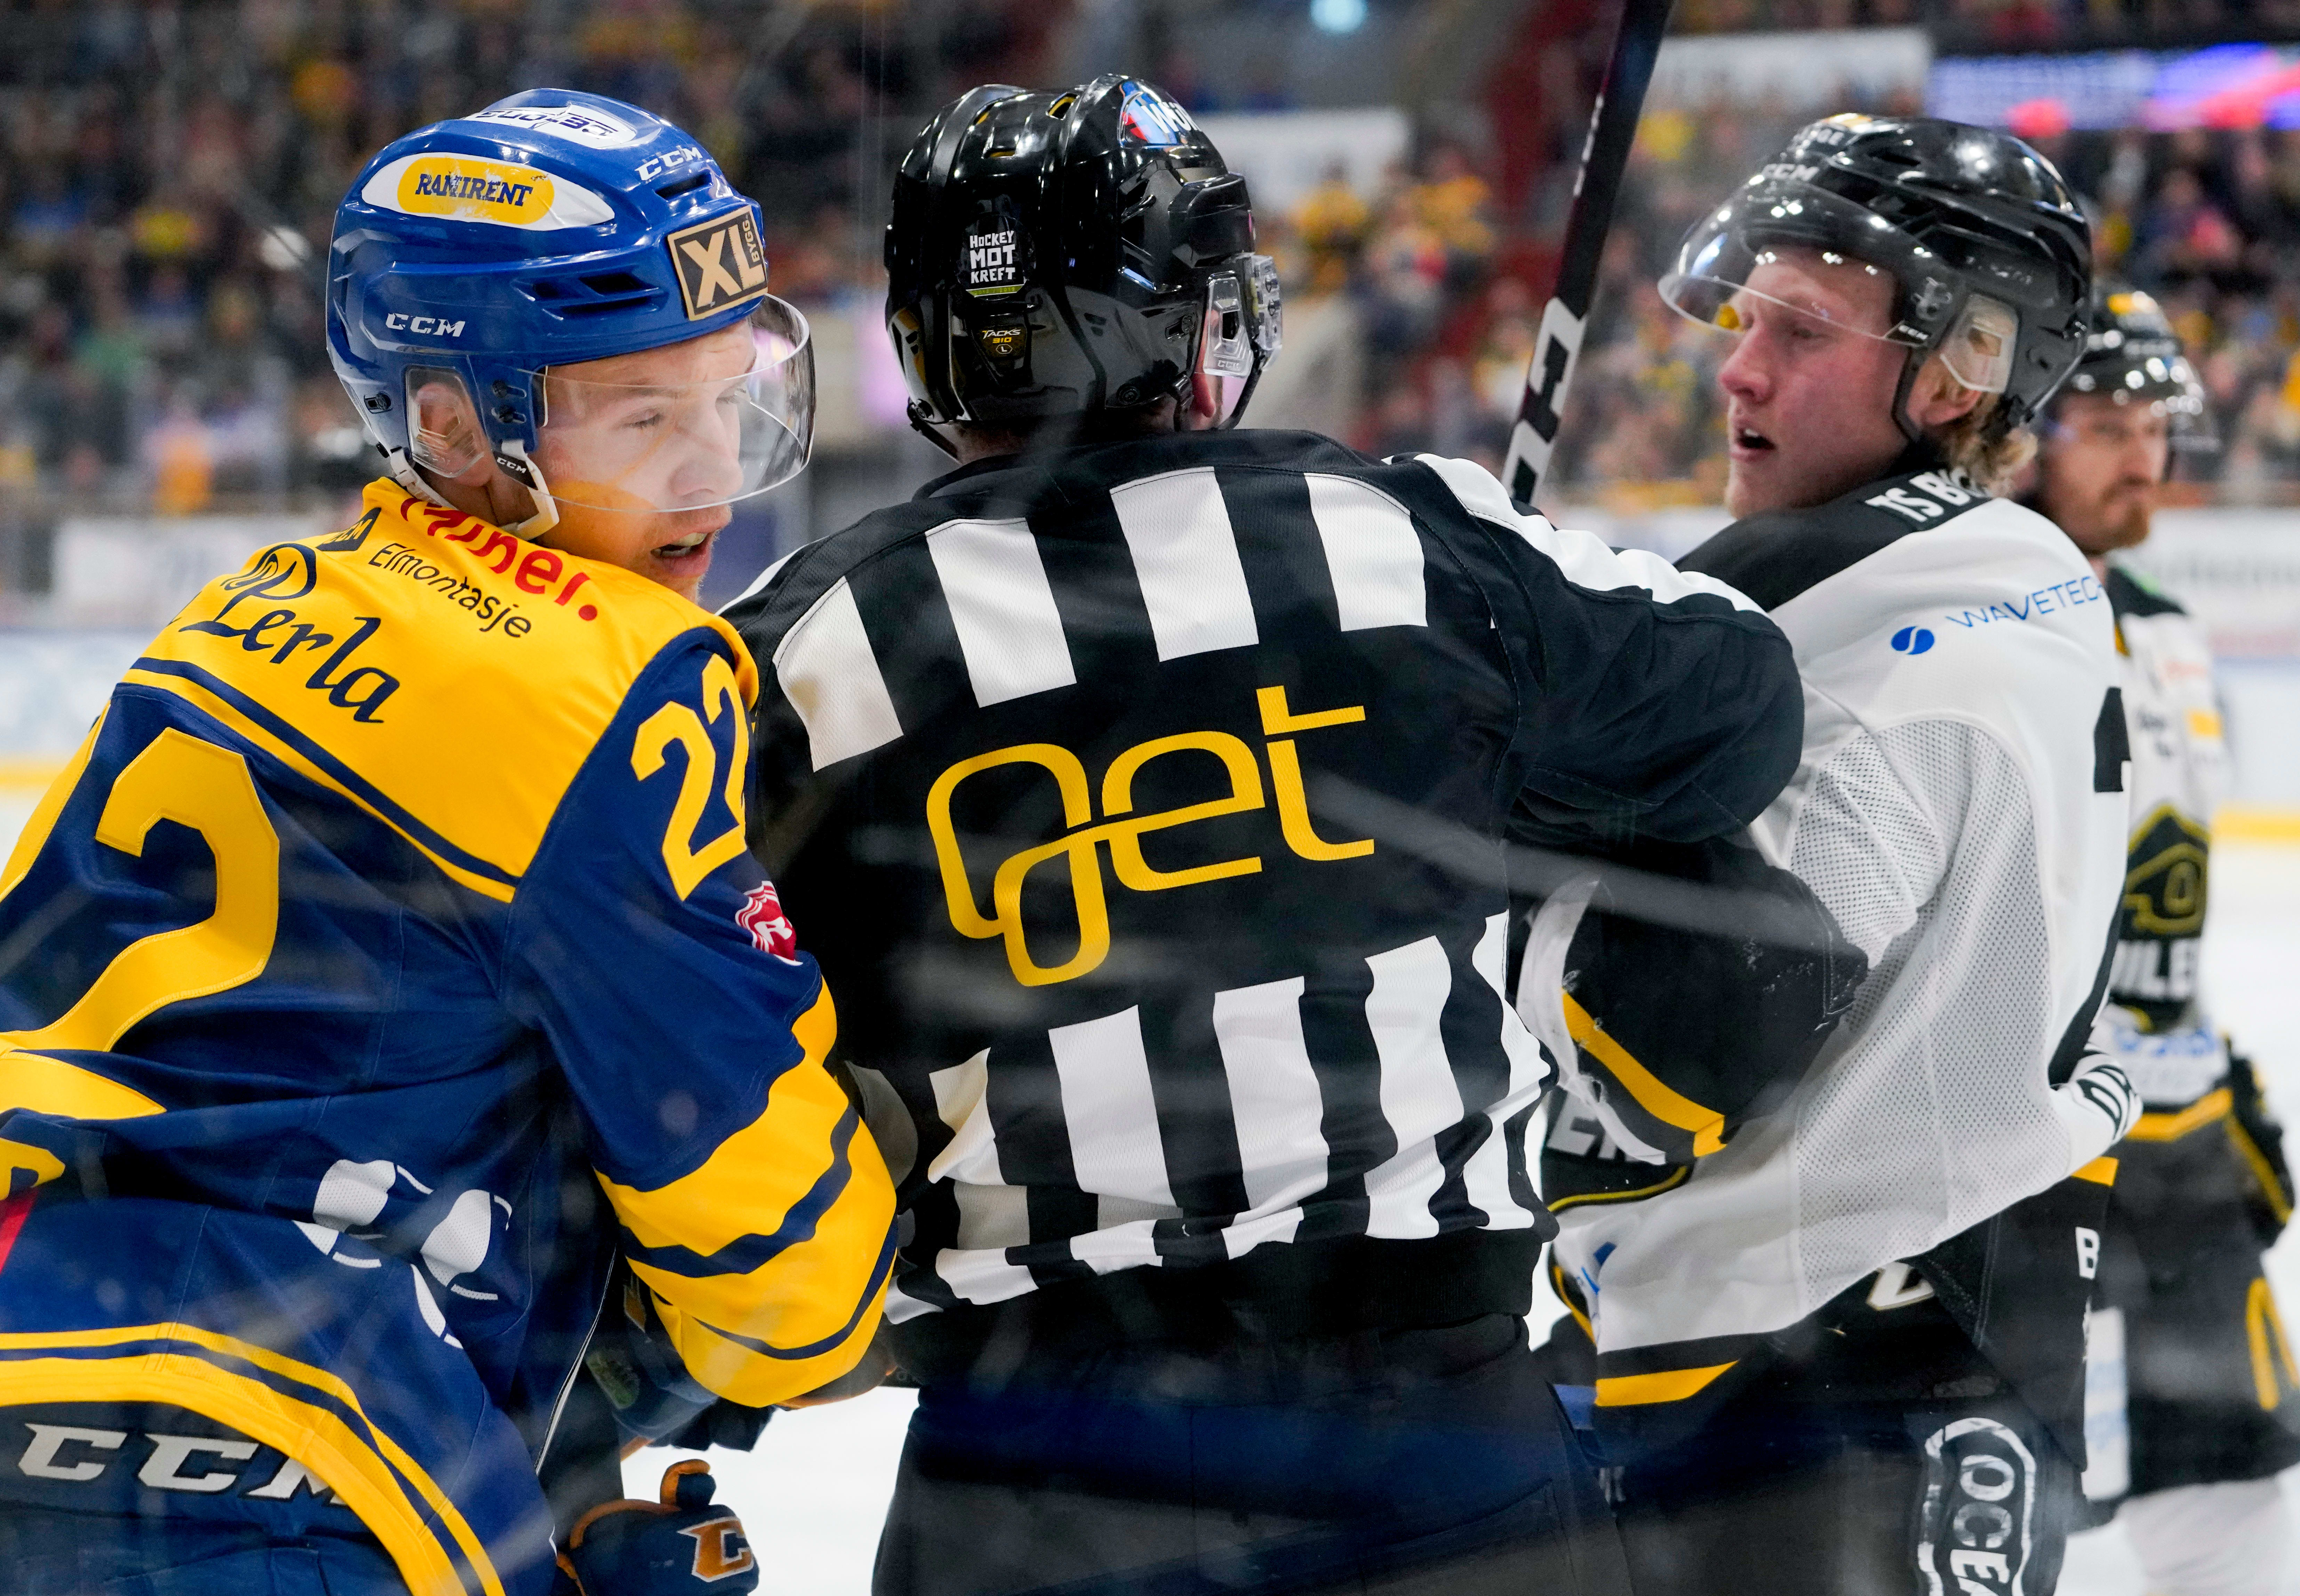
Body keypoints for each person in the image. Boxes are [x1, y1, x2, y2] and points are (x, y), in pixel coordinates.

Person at [722, 74, 1808, 1596]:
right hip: (1429, 1439)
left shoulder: (793, 652)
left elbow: (700, 1033)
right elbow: (1742, 708)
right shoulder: (1404, 540)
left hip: (1025, 1473)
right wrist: (1474, 733)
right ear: (1188, 326)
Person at [0, 90, 894, 1596]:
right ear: (449, 422)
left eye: (727, 396)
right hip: (300, 1469)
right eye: (645, 417)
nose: (709, 474)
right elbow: (782, 1276)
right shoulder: (609, 684)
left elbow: (17, 993)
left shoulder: (242, 610)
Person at [1533, 114, 2140, 1596]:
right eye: (1746, 320)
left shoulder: (1886, 653)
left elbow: (1680, 1052)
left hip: (1827, 1378)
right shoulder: (1988, 588)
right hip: (1877, 1335)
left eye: (1801, 331)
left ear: (1960, 372)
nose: (1737, 370)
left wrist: (1516, 787)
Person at [2022, 288, 2299, 1596]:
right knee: (2009, 1521)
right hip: (2031, 1162)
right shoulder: (1971, 623)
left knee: (2235, 1496)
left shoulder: (2173, 632)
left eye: (2154, 429)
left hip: (2180, 1154)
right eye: (2108, 427)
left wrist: (2213, 1071)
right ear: (2021, 428)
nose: (2145, 459)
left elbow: (2161, 906)